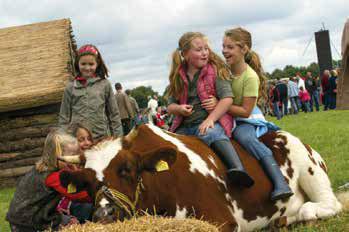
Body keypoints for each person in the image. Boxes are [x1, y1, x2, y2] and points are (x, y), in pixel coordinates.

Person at [205, 27, 293, 201]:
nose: (224, 51)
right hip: (225, 114)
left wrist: (221, 105)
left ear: (244, 49)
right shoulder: (224, 69)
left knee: (245, 138)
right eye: (223, 46)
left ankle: (280, 182)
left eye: (230, 47)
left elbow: (245, 111)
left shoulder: (250, 77)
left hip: (245, 118)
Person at [167, 31, 254, 188]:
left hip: (208, 121)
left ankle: (237, 168)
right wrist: (179, 108)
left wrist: (210, 119)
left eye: (206, 48)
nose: (204, 53)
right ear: (185, 54)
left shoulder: (215, 71)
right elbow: (170, 105)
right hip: (184, 127)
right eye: (199, 50)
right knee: (170, 144)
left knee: (212, 134)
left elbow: (227, 99)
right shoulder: (178, 76)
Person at [6, 128, 89, 231]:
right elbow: (76, 194)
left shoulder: (44, 167)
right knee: (74, 224)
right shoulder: (53, 176)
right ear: (58, 156)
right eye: (72, 155)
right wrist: (96, 192)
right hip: (27, 223)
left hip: (32, 215)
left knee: (70, 220)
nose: (75, 158)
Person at [58, 44, 123, 140]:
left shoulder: (104, 85)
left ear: (97, 64)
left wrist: (118, 138)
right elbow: (64, 117)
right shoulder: (70, 87)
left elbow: (114, 114)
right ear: (77, 64)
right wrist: (64, 141)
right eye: (83, 64)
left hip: (101, 139)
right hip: (78, 140)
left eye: (91, 64)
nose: (87, 68)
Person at [45, 123, 94, 225]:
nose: (87, 143)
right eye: (81, 139)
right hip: (57, 213)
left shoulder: (91, 162)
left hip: (63, 211)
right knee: (86, 205)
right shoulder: (57, 173)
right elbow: (75, 194)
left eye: (89, 138)